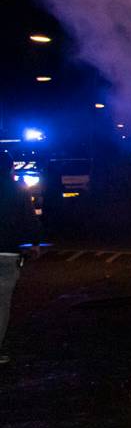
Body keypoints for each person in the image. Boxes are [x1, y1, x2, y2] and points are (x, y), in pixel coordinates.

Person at [0, 150, 41, 364]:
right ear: (10, 168)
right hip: (7, 252)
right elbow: (29, 219)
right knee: (2, 303)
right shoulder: (18, 191)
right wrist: (34, 244)